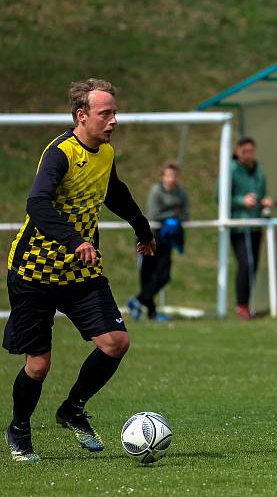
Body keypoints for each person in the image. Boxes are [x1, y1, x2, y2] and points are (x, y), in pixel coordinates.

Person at [3, 79, 156, 462]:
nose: (114, 121)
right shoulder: (59, 154)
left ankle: (72, 408)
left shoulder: (104, 153)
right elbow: (37, 203)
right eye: (105, 113)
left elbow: (114, 191)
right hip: (35, 273)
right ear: (81, 115)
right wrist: (75, 240)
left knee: (116, 343)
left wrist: (143, 228)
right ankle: (19, 430)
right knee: (38, 365)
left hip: (80, 273)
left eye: (114, 112)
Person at [128, 162, 189, 321]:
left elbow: (185, 214)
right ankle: (151, 312)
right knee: (147, 276)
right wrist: (173, 214)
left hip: (166, 238)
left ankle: (137, 302)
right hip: (149, 238)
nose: (172, 178)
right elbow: (154, 214)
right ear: (163, 176)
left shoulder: (181, 192)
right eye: (168, 175)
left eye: (174, 175)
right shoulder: (156, 191)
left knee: (164, 276)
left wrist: (173, 217)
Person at [229, 137, 272, 320]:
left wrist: (265, 202)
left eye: (251, 151)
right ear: (237, 151)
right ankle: (241, 305)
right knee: (245, 264)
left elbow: (262, 193)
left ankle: (247, 305)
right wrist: (241, 201)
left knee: (253, 265)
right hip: (238, 226)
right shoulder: (230, 169)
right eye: (244, 151)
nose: (248, 155)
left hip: (255, 224)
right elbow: (221, 197)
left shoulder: (259, 170)